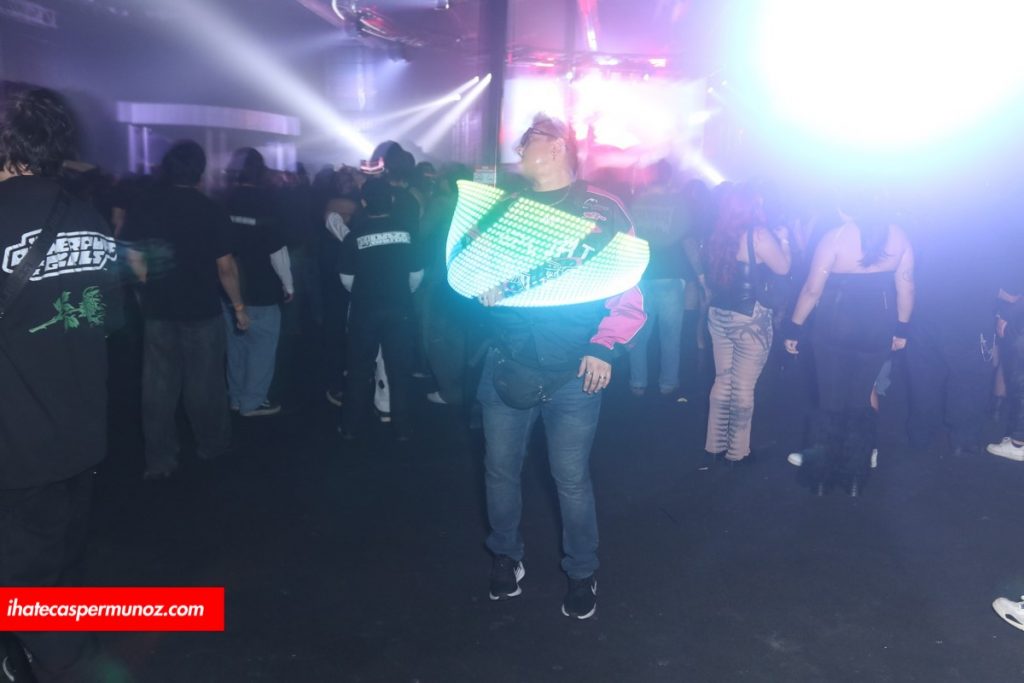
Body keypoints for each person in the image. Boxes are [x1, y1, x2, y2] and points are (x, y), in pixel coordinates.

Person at [477, 115, 646, 620]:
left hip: (575, 369)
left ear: (555, 147)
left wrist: (605, 346)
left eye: (526, 143)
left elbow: (629, 289)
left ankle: (581, 571)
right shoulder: (506, 208)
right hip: (508, 361)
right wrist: (481, 285)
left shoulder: (602, 209)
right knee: (499, 471)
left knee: (570, 479)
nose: (518, 151)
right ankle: (506, 557)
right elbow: (477, 270)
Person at [0, 86, 121, 682]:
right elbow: (107, 321)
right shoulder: (90, 219)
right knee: (55, 574)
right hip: (79, 435)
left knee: (26, 589)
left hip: (17, 448)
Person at [123, 140, 248, 479]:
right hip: (201, 307)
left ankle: (160, 459)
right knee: (205, 383)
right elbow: (226, 267)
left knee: (158, 387)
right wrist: (238, 306)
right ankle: (212, 445)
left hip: (159, 307)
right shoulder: (210, 209)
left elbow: (132, 256)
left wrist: (144, 289)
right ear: (200, 172)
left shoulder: (146, 205)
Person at [783, 191, 913, 495]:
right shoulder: (897, 236)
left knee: (829, 402)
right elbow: (906, 285)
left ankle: (819, 477)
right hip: (877, 327)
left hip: (835, 327)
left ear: (845, 208)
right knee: (859, 401)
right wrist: (903, 329)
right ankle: (855, 477)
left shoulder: (835, 237)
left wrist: (793, 328)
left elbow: (812, 289)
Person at [703, 184, 791, 465]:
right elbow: (784, 268)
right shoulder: (758, 235)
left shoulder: (718, 232)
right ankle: (737, 453)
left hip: (718, 314)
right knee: (742, 387)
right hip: (749, 319)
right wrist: (785, 241)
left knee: (722, 380)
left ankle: (715, 447)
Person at [338, 176, 423, 442]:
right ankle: (403, 428)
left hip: (365, 309)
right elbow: (417, 274)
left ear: (364, 202)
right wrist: (401, 292)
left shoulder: (354, 236)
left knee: (358, 369)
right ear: (392, 199)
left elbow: (346, 279)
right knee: (399, 369)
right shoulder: (407, 232)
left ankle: (350, 426)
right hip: (399, 308)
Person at [222, 148, 292, 417]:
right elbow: (277, 250)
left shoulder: (224, 200)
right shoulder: (269, 201)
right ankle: (252, 401)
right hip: (262, 285)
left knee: (236, 343)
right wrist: (288, 284)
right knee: (262, 345)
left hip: (230, 286)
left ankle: (236, 396)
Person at [627, 160, 703, 398]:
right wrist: (701, 275)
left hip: (640, 275)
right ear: (669, 178)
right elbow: (688, 241)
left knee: (639, 333)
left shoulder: (635, 203)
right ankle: (668, 384)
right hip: (670, 276)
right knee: (671, 335)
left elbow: (625, 239)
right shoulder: (679, 204)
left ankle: (637, 383)